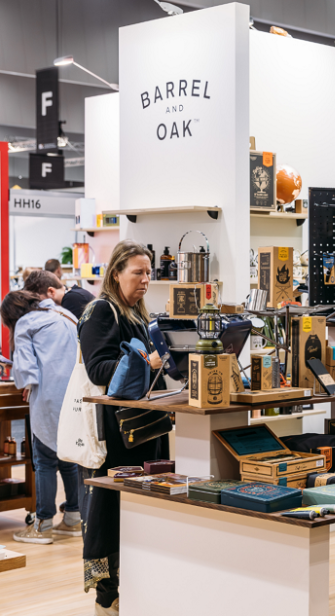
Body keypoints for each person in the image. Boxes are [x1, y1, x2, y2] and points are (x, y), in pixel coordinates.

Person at [78, 241, 166, 616]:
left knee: (136, 516)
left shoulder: (137, 314)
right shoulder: (102, 311)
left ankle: (134, 594)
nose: (146, 279)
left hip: (143, 432)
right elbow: (98, 368)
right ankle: (107, 599)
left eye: (149, 272)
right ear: (116, 273)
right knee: (110, 515)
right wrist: (148, 362)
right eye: (138, 272)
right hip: (117, 437)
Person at [0, 290, 82, 544]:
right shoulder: (64, 314)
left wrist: (23, 382)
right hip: (75, 394)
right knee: (68, 458)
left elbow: (26, 370)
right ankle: (73, 518)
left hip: (48, 397)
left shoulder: (26, 324)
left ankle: (42, 524)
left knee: (44, 460)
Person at [24, 269, 95, 321]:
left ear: (51, 292)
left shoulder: (70, 300)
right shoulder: (73, 294)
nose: (39, 304)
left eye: (39, 300)